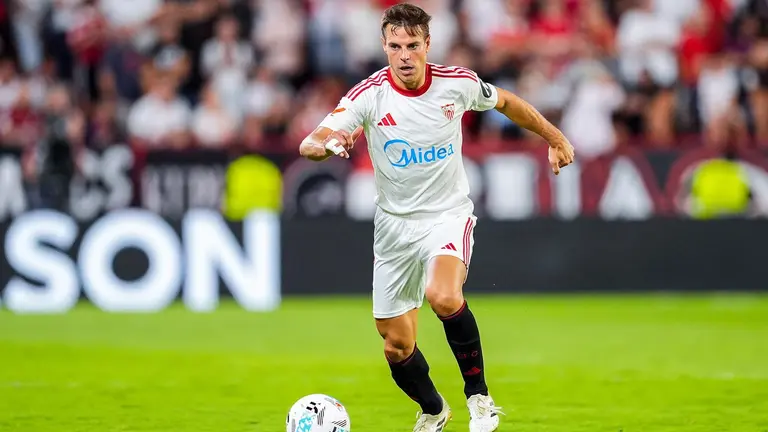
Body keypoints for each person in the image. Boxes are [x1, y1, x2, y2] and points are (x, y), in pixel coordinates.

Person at [298, 4, 574, 432]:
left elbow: (507, 102)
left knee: (443, 296)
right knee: (396, 345)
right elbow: (310, 144)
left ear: (428, 44)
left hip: (447, 214)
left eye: (412, 45)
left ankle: (479, 399)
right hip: (393, 227)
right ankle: (433, 410)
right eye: (395, 46)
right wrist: (330, 143)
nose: (404, 55)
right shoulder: (369, 95)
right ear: (384, 46)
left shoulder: (456, 84)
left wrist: (554, 138)